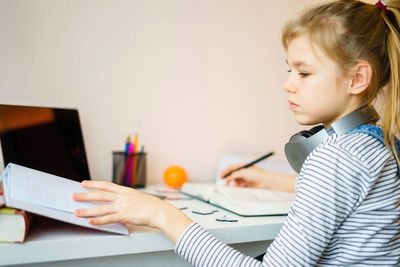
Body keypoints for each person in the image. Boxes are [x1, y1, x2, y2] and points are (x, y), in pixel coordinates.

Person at [72, 0, 400, 265]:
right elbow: (351, 194)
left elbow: (334, 178)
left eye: (303, 72)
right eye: (290, 70)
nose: (288, 84)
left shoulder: (334, 158)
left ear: (357, 79)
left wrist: (162, 214)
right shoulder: (382, 145)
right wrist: (268, 179)